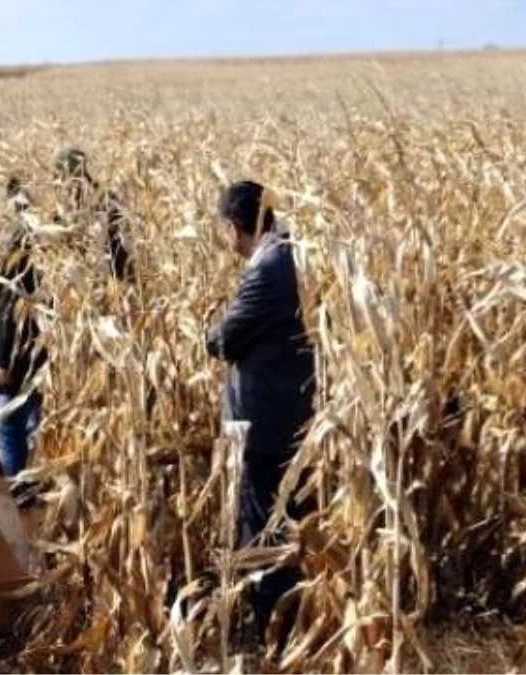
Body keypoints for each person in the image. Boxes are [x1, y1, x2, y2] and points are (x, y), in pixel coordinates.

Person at [205, 180, 316, 647]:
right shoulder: (293, 253)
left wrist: (212, 329)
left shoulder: (267, 267)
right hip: (294, 415)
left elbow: (223, 339)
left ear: (233, 227)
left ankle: (273, 630)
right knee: (288, 523)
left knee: (264, 530)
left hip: (265, 426)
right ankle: (289, 621)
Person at [0, 176, 47, 479]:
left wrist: (2, 361)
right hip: (46, 353)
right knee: (34, 423)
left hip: (21, 355)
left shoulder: (20, 245)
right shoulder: (53, 243)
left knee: (7, 424)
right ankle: (33, 485)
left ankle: (16, 488)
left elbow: (10, 309)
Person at [51, 148, 132, 282]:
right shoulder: (61, 208)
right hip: (87, 278)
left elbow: (121, 237)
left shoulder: (105, 199)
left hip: (113, 274)